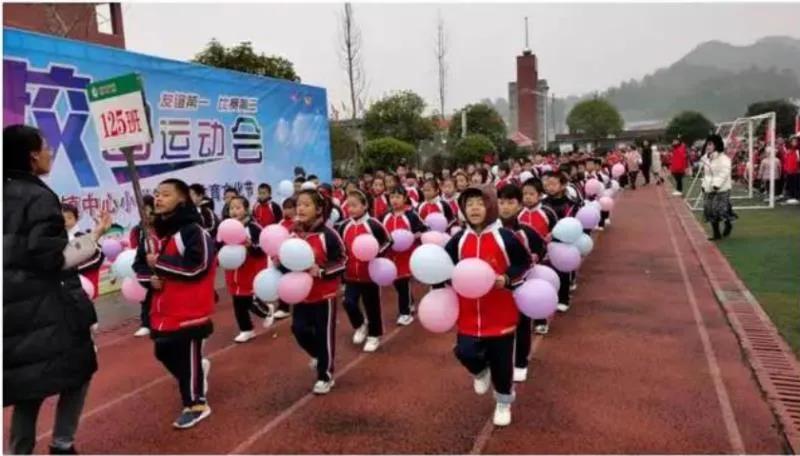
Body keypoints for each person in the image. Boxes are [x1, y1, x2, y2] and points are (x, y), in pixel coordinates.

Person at [4, 124, 111, 454]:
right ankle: (62, 445)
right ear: (33, 155)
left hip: (10, 306)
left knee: (26, 385)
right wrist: (92, 240)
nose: (51, 152)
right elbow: (49, 257)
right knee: (79, 370)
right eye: (47, 146)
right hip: (45, 306)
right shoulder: (38, 196)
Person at [443, 184, 531, 427]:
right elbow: (443, 264)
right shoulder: (459, 239)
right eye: (469, 204)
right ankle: (480, 371)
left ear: (490, 206)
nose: (473, 208)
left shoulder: (506, 237)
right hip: (468, 313)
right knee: (464, 351)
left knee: (503, 364)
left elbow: (524, 264)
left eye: (479, 203)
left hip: (501, 313)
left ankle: (503, 402)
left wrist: (507, 279)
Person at [133, 178, 216, 429]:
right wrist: (150, 280)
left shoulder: (193, 231)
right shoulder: (151, 234)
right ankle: (195, 375)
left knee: (186, 351)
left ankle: (196, 404)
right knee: (163, 351)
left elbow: (198, 266)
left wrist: (158, 264)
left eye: (166, 194)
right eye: (157, 194)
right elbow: (139, 266)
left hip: (190, 308)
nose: (158, 198)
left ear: (182, 199)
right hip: (162, 308)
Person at [282, 189, 346, 394]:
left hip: (323, 294)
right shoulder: (293, 234)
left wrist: (322, 271)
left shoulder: (328, 234)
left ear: (319, 210)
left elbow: (343, 260)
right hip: (300, 295)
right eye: (298, 204)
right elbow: (286, 258)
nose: (300, 208)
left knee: (324, 334)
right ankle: (320, 357)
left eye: (306, 204)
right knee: (298, 329)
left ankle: (325, 375)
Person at [498, 184, 545, 383]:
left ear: (519, 205)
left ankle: (520, 363)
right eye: (501, 202)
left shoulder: (526, 232)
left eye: (511, 202)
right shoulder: (491, 231)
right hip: (497, 288)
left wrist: (536, 256)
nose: (505, 207)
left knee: (522, 325)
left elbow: (541, 248)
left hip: (522, 287)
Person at [339, 190, 392, 353]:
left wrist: (376, 253)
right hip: (351, 275)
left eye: (355, 205)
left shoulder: (374, 224)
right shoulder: (344, 226)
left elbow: (388, 241)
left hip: (370, 275)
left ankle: (374, 335)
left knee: (372, 306)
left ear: (365, 206)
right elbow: (341, 249)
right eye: (349, 206)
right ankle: (360, 325)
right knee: (348, 302)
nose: (351, 209)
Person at [225, 196, 272, 343]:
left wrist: (250, 246)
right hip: (233, 271)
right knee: (237, 301)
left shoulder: (253, 227)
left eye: (238, 208)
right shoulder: (226, 227)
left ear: (246, 210)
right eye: (232, 208)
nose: (234, 211)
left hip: (250, 269)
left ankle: (266, 310)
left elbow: (263, 247)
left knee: (248, 299)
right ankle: (246, 329)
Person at [383, 186, 427, 325]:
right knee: (397, 283)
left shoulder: (411, 215)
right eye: (392, 197)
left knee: (403, 282)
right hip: (391, 256)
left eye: (398, 197)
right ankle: (410, 303)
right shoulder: (385, 217)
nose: (394, 200)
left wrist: (413, 236)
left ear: (405, 198)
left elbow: (424, 228)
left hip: (407, 255)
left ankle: (405, 313)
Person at [542, 171, 581, 313]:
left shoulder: (570, 203)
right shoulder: (543, 203)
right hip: (546, 242)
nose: (549, 187)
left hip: (564, 242)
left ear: (563, 185)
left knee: (563, 270)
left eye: (553, 184)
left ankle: (563, 298)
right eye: (547, 184)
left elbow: (573, 222)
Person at [62, 204, 105, 301]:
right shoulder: (57, 239)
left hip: (84, 286)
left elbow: (98, 256)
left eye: (69, 217)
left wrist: (74, 269)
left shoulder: (82, 237)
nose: (65, 222)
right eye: (62, 218)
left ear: (76, 219)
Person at [129, 195, 158, 337]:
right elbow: (138, 249)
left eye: (147, 210)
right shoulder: (139, 229)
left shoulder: (162, 226)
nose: (145, 214)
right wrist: (138, 266)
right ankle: (146, 323)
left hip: (161, 268)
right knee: (145, 297)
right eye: (142, 210)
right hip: (145, 268)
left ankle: (158, 321)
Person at [700, 135, 736, 240]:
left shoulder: (724, 159)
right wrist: (704, 185)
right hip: (708, 188)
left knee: (720, 209)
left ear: (717, 145)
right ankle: (716, 233)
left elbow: (724, 173)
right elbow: (706, 174)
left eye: (711, 144)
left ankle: (728, 223)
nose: (708, 146)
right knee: (709, 209)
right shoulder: (705, 158)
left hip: (722, 188)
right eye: (707, 143)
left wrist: (716, 184)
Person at [783, 136, 800, 204]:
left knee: (796, 184)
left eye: (795, 141)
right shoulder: (788, 151)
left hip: (797, 171)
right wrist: (786, 169)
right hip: (789, 171)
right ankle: (791, 196)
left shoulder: (797, 151)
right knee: (790, 183)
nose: (794, 142)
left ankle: (796, 197)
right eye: (793, 141)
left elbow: (798, 161)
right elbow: (786, 161)